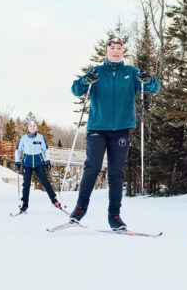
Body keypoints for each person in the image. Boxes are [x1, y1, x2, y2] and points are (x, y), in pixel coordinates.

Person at [69, 36, 160, 230]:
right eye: (112, 48)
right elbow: (76, 90)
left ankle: (114, 216)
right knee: (92, 168)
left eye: (119, 48)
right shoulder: (97, 72)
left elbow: (155, 86)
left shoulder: (131, 72)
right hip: (97, 128)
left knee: (116, 174)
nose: (116, 51)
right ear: (106, 51)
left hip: (121, 130)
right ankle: (80, 209)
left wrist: (148, 79)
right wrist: (86, 80)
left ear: (123, 51)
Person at [14, 119, 63, 214]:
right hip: (27, 163)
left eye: (34, 126)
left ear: (36, 127)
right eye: (30, 126)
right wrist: (17, 162)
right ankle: (24, 205)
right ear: (28, 127)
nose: (32, 127)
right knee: (26, 184)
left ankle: (54, 200)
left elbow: (46, 150)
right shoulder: (23, 138)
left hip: (39, 163)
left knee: (45, 182)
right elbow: (18, 151)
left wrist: (47, 161)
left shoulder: (41, 138)